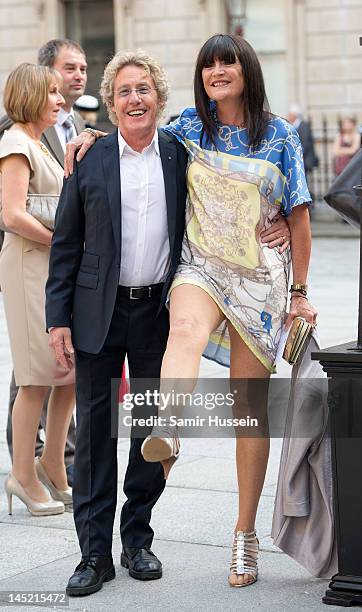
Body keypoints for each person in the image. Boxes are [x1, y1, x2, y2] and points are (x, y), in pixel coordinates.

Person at [47, 48, 291, 597]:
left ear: (159, 98)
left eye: (144, 90)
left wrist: (273, 225)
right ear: (110, 104)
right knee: (93, 438)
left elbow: (235, 198)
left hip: (158, 310)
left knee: (149, 431)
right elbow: (65, 246)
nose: (135, 100)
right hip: (96, 314)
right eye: (124, 92)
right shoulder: (88, 157)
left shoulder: (181, 153)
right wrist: (56, 319)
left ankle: (137, 540)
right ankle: (92, 554)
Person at [1, 38, 88, 484]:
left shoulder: (38, 140)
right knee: (36, 376)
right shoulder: (16, 141)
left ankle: (53, 463)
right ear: (31, 96)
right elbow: (12, 214)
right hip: (29, 264)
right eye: (52, 92)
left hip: (52, 267)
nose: (60, 99)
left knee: (66, 371)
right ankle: (23, 475)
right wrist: (61, 242)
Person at [287, 104, 318, 188]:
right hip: (299, 159)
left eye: (290, 114)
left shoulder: (303, 126)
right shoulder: (294, 126)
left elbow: (305, 144)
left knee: (304, 181)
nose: (288, 116)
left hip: (305, 160)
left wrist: (295, 153)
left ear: (294, 115)